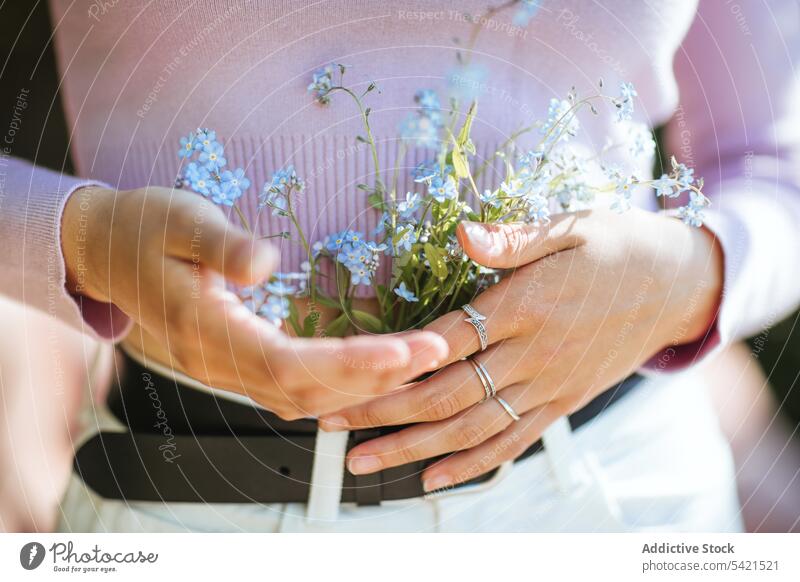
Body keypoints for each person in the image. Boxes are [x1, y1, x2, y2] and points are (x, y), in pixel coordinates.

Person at [2, 0, 798, 531]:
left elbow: (777, 166)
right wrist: (80, 239)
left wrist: (695, 274)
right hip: (204, 501)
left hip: (620, 490)